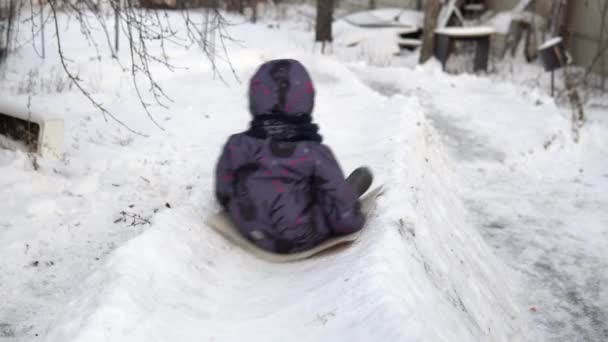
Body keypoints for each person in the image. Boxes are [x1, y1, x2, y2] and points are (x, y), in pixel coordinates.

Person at [214, 59, 372, 254]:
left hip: (251, 228)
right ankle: (353, 187)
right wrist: (354, 216)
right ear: (307, 99)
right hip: (299, 237)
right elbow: (345, 219)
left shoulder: (237, 145)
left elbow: (223, 192)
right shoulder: (315, 154)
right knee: (337, 194)